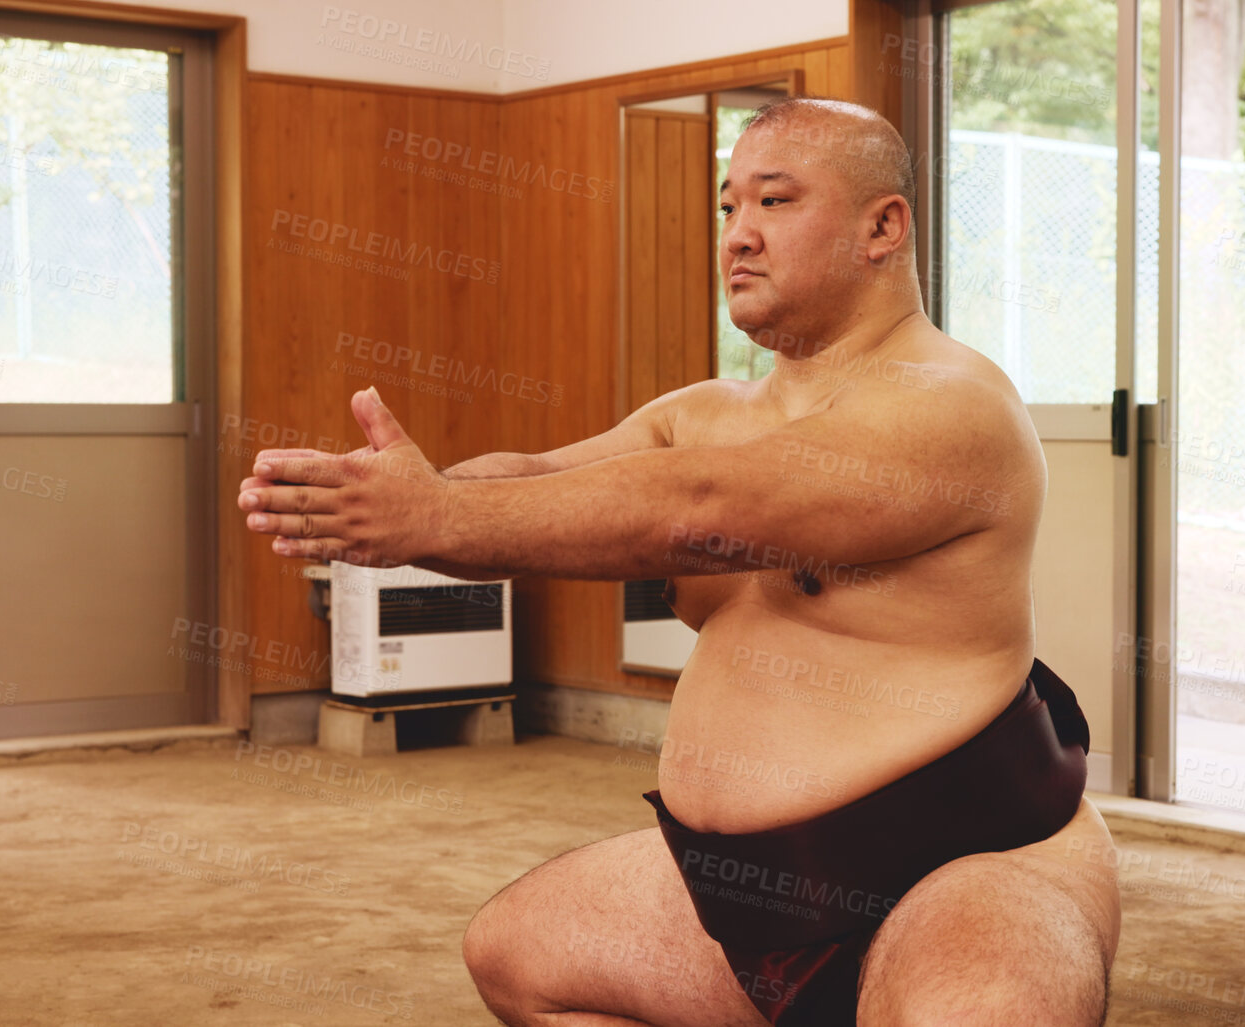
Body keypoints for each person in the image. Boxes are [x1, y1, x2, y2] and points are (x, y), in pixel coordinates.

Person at [237, 96, 1121, 1026]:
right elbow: (540, 481)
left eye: (774, 202)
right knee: (517, 956)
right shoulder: (702, 413)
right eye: (727, 207)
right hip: (740, 896)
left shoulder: (952, 405)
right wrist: (415, 496)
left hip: (957, 867)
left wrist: (435, 515)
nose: (738, 235)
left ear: (882, 227)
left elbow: (702, 514)